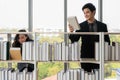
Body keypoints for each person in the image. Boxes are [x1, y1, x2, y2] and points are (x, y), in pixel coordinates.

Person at [69, 3, 110, 72]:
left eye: (87, 12)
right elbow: (75, 39)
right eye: (84, 13)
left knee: (97, 76)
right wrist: (71, 32)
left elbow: (107, 41)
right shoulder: (81, 26)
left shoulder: (103, 26)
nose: (85, 15)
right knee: (85, 76)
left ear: (93, 12)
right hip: (85, 57)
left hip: (98, 56)